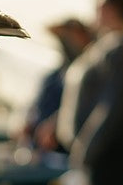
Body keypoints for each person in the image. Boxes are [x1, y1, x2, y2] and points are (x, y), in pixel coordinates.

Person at [52, 0, 123, 185]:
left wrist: (86, 150)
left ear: (110, 10)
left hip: (108, 155)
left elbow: (111, 107)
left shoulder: (121, 51)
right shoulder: (103, 45)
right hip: (97, 155)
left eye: (99, 6)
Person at [17, 18, 95, 150]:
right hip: (38, 149)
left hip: (65, 148)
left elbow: (82, 105)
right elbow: (35, 105)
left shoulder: (88, 74)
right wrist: (27, 123)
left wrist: (55, 125)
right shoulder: (53, 76)